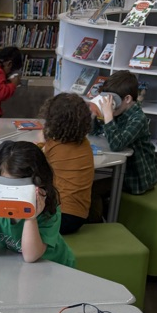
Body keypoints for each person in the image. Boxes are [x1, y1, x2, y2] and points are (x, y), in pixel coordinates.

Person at [0, 140, 75, 266]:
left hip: (54, 266)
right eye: (5, 186)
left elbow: (30, 256)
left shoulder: (48, 207)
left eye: (20, 189)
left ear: (40, 184)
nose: (12, 196)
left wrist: (31, 218)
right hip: (18, 267)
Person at [92, 70, 157, 195]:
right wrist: (94, 113)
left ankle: (105, 214)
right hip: (123, 171)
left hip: (137, 179)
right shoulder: (118, 112)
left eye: (113, 100)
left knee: (92, 190)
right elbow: (94, 132)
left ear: (127, 99)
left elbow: (117, 145)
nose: (109, 104)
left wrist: (108, 116)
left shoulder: (138, 118)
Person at [39, 93, 96, 234]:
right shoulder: (85, 143)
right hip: (79, 216)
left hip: (57, 217)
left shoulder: (53, 145)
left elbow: (32, 160)